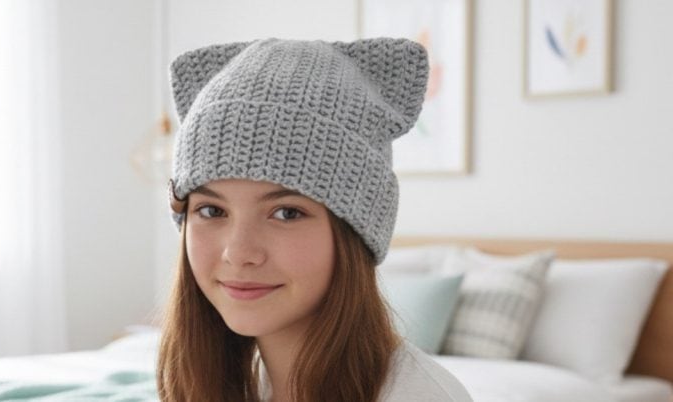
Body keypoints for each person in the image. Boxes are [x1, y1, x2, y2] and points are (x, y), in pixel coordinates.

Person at [157, 37, 473, 402]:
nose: (239, 253)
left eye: (286, 213)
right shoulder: (225, 382)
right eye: (212, 211)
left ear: (354, 232)